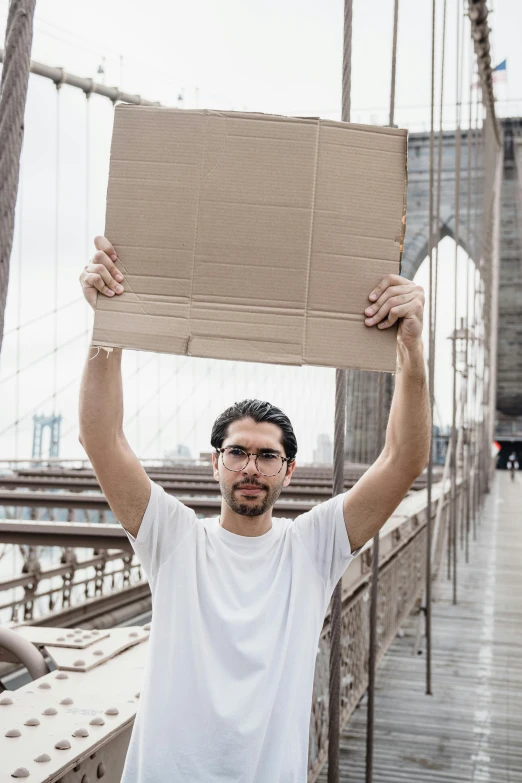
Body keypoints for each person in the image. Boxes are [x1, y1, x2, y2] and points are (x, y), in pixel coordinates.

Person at [78, 235, 430, 783]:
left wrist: (411, 351)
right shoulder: (173, 538)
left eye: (268, 456)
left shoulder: (312, 547)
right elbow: (102, 438)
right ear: (214, 463)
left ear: (289, 470)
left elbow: (403, 460)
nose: (250, 467)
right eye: (238, 452)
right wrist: (109, 327)